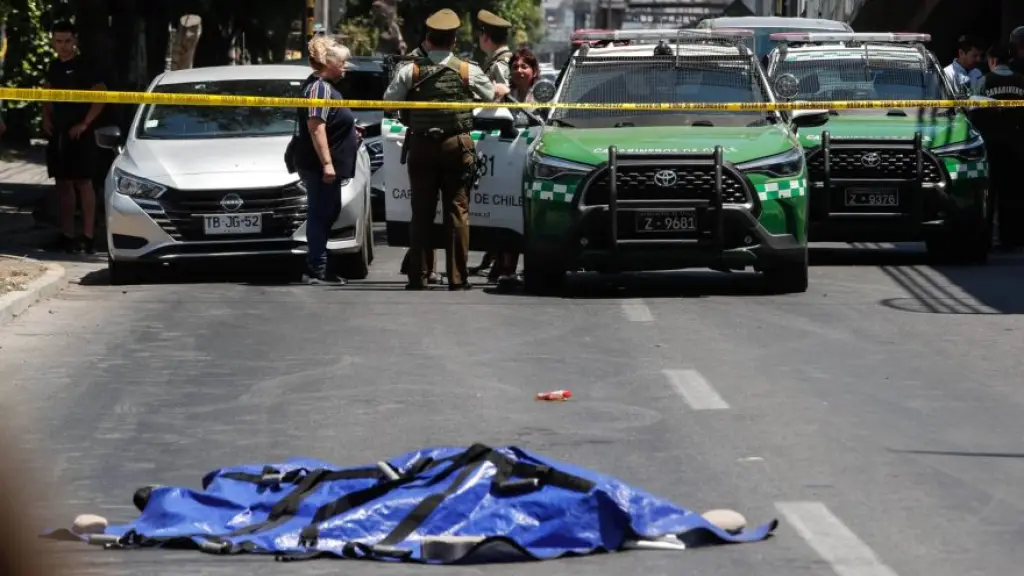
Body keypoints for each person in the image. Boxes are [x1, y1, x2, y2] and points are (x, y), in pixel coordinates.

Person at [382, 9, 507, 291]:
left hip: (422, 146)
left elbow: (388, 104)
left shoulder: (410, 70)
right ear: (453, 41)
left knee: (421, 212)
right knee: (457, 210)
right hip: (456, 146)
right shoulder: (467, 70)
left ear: (428, 39)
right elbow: (490, 96)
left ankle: (418, 276)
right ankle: (458, 278)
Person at [293, 35, 361, 284]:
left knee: (327, 211)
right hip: (319, 166)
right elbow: (316, 127)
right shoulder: (319, 88)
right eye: (342, 63)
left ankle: (320, 263)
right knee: (321, 213)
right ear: (328, 63)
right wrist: (328, 164)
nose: (344, 68)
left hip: (325, 165)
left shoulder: (325, 87)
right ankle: (316, 268)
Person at [42, 20, 106, 254]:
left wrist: (85, 123)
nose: (63, 46)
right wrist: (46, 117)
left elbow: (101, 97)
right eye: (58, 41)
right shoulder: (52, 66)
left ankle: (87, 237)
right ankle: (66, 234)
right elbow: (47, 94)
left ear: (75, 40)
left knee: (83, 183)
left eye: (67, 41)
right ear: (53, 42)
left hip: (82, 133)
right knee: (62, 183)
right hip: (58, 133)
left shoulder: (88, 66)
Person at [490, 47, 541, 291]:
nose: (519, 71)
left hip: (537, 168)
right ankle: (506, 270)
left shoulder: (544, 96)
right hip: (507, 165)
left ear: (534, 71)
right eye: (515, 67)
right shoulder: (504, 96)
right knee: (508, 216)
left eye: (524, 66)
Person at [471, 9, 514, 281]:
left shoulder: (500, 63)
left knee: (500, 203)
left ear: (485, 36)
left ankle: (502, 260)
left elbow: (498, 100)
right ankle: (495, 257)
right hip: (498, 141)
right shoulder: (497, 59)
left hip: (503, 142)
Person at [972, 43, 1024, 251]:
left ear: (992, 60)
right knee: (1013, 194)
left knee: (989, 193)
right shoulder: (1022, 81)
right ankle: (1013, 239)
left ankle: (986, 237)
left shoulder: (984, 81)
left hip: (991, 146)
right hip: (1018, 146)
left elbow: (974, 111)